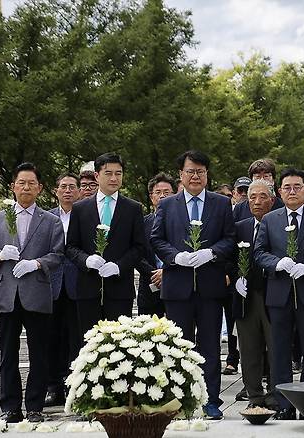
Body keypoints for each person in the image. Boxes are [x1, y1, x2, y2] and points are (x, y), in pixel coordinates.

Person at [150, 150, 236, 420]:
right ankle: (180, 399)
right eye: (190, 171)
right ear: (181, 175)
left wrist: (211, 253)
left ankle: (211, 400)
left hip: (210, 287)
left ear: (207, 175)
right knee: (178, 347)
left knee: (210, 346)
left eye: (200, 171)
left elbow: (230, 239)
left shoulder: (221, 204)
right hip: (177, 287)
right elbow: (156, 239)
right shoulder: (167, 205)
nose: (195, 176)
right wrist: (175, 257)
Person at [0, 162, 65, 423]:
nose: (26, 187)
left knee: (39, 353)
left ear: (39, 188)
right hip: (6, 294)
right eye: (21, 183)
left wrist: (36, 263)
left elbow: (58, 255)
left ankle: (35, 406)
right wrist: (0, 254)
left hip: (36, 293)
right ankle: (10, 407)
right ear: (13, 186)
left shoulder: (50, 221)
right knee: (7, 354)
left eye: (31, 183)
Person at [253, 168, 304, 420]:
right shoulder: (270, 219)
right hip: (279, 294)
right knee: (279, 351)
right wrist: (277, 263)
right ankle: (283, 404)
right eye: (287, 187)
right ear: (279, 191)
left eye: (297, 187)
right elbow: (259, 252)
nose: (292, 191)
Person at [66, 153, 145, 335]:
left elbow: (139, 247)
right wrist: (86, 260)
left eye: (118, 173)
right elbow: (70, 247)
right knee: (88, 344)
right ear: (96, 176)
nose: (114, 178)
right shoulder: (80, 208)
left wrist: (119, 266)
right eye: (108, 173)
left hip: (120, 290)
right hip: (88, 288)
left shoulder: (133, 208)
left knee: (119, 345)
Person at [231, 180, 276, 409]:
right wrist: (235, 279)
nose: (257, 202)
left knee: (276, 348)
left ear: (272, 199)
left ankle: (277, 396)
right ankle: (254, 396)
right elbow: (229, 258)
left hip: (274, 296)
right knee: (248, 349)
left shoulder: (280, 224)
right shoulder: (240, 227)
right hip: (246, 297)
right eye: (252, 197)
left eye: (262, 197)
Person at [45, 173, 81, 407]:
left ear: (78, 191)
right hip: (52, 285)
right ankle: (53, 386)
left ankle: (74, 385)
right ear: (56, 191)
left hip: (79, 284)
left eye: (72, 187)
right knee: (51, 338)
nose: (67, 191)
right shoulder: (46, 217)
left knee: (76, 338)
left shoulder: (86, 214)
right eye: (63, 187)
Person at [136, 172, 175, 318]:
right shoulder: (141, 223)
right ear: (151, 197)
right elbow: (136, 252)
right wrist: (154, 274)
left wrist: (167, 271)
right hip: (149, 286)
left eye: (167, 192)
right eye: (158, 192)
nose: (162, 196)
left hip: (176, 285)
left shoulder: (183, 223)